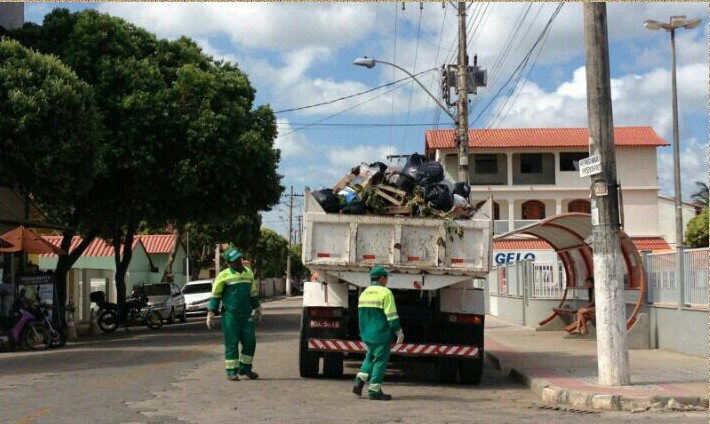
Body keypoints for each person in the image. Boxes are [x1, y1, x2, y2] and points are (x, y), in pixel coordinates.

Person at [206, 247, 262, 381]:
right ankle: (231, 371)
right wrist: (211, 312)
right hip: (230, 315)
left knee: (250, 342)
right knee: (232, 343)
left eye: (239, 259)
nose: (239, 262)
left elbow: (252, 293)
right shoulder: (223, 275)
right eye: (235, 260)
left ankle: (245, 369)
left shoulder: (248, 273)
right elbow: (216, 294)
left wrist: (258, 307)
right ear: (229, 263)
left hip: (246, 314)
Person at [352, 265, 403, 401]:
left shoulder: (364, 293)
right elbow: (391, 316)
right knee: (380, 361)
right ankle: (375, 390)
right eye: (385, 277)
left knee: (370, 357)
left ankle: (359, 380)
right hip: (381, 334)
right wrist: (399, 331)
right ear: (380, 278)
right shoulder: (386, 293)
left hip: (367, 334)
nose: (387, 280)